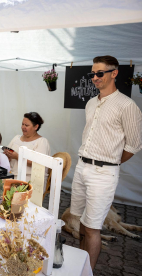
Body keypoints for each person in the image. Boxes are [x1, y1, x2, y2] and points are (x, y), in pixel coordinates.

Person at [70, 56, 142, 270]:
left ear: (114, 73)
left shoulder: (126, 105)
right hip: (82, 167)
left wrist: (110, 162)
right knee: (80, 222)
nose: (95, 77)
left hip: (103, 173)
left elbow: (135, 144)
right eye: (92, 73)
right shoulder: (91, 102)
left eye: (100, 73)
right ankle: (79, 266)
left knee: (92, 228)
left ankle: (87, 272)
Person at [3, 112, 51, 183]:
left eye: (26, 125)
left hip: (31, 179)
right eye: (22, 124)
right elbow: (7, 153)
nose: (23, 127)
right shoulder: (16, 138)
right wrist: (7, 155)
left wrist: (17, 157)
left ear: (36, 127)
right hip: (12, 175)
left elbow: (38, 164)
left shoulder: (42, 142)